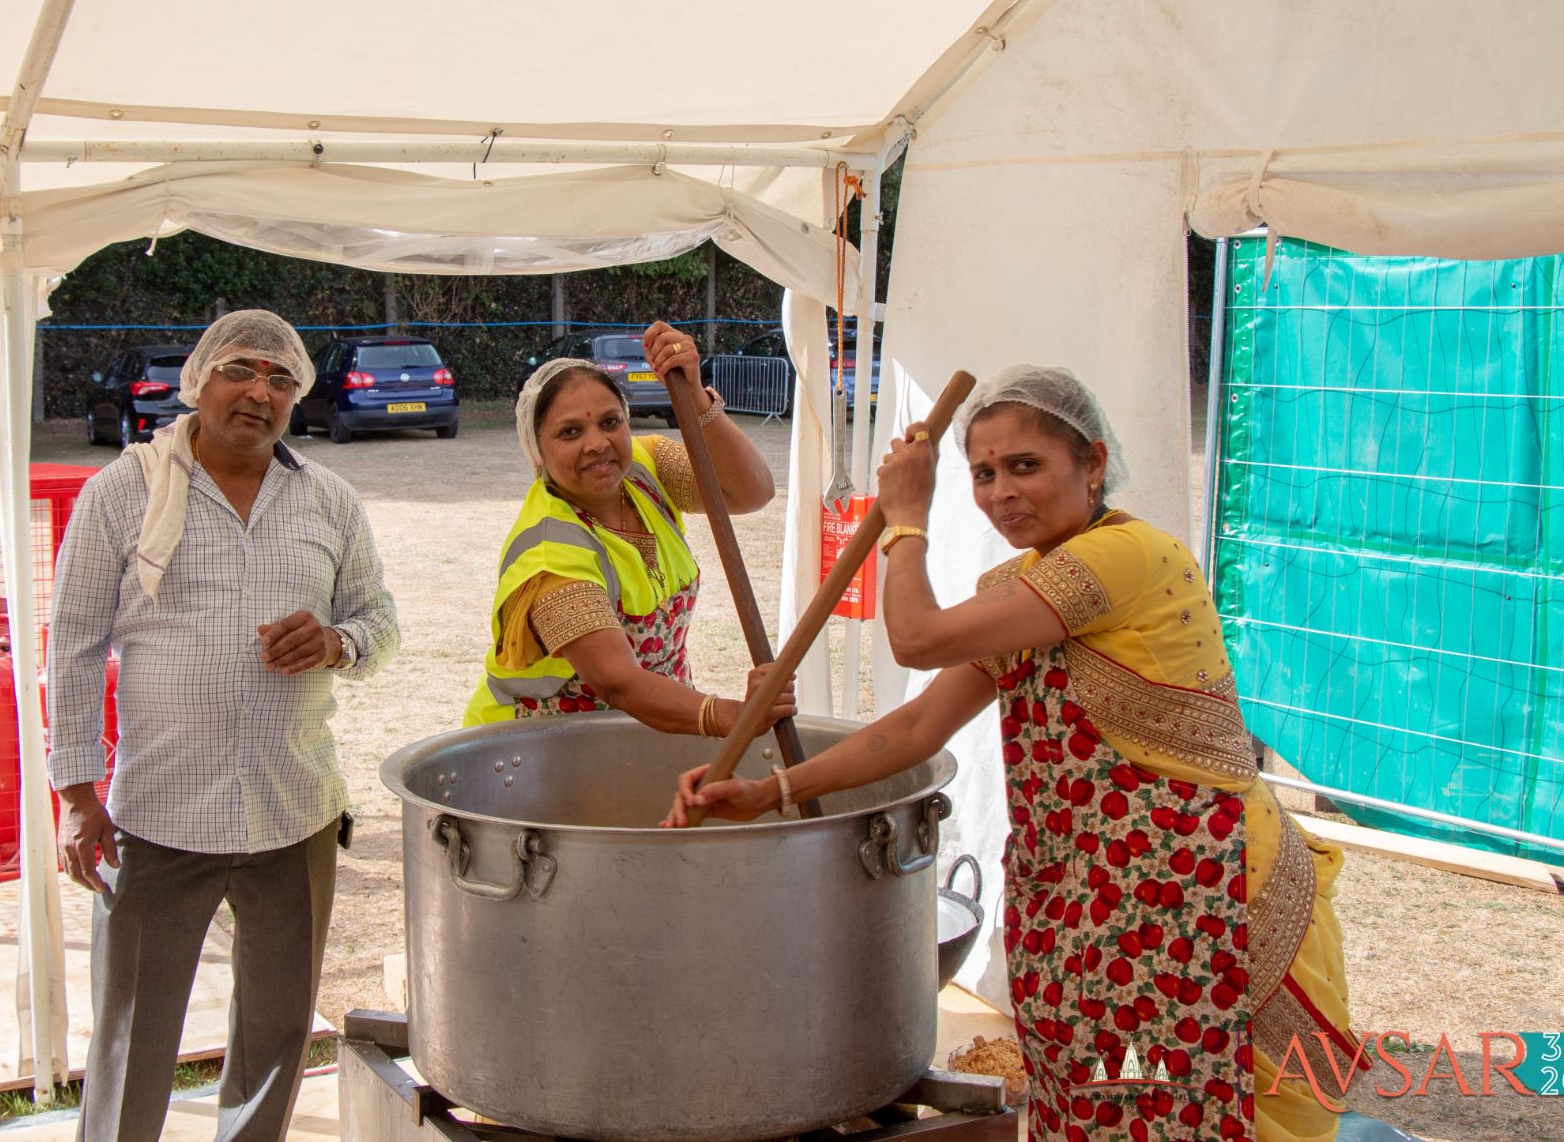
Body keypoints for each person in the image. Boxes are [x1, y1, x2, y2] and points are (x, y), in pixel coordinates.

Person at [670, 366, 1362, 1142]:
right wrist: (775, 790)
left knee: (1213, 1108)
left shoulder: (1127, 557)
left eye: (1025, 466)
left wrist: (905, 520)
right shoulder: (1018, 584)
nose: (1002, 492)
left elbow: (915, 636)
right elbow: (914, 728)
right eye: (984, 473)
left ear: (1093, 463)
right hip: (1089, 899)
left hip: (1200, 892)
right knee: (1100, 1108)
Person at [47, 308, 399, 1142]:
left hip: (295, 808)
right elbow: (72, 643)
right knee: (133, 1034)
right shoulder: (125, 488)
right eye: (241, 369)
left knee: (277, 1034)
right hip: (159, 814)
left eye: (282, 379)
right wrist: (74, 791)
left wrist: (338, 641)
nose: (260, 391)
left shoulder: (329, 497)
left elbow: (379, 619)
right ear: (197, 381)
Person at [460, 320, 793, 738]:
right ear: (537, 451)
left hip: (652, 728)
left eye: (610, 422)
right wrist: (734, 716)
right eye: (570, 432)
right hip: (538, 752)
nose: (597, 443)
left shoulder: (645, 469)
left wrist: (694, 396)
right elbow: (619, 682)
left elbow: (751, 491)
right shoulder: (549, 551)